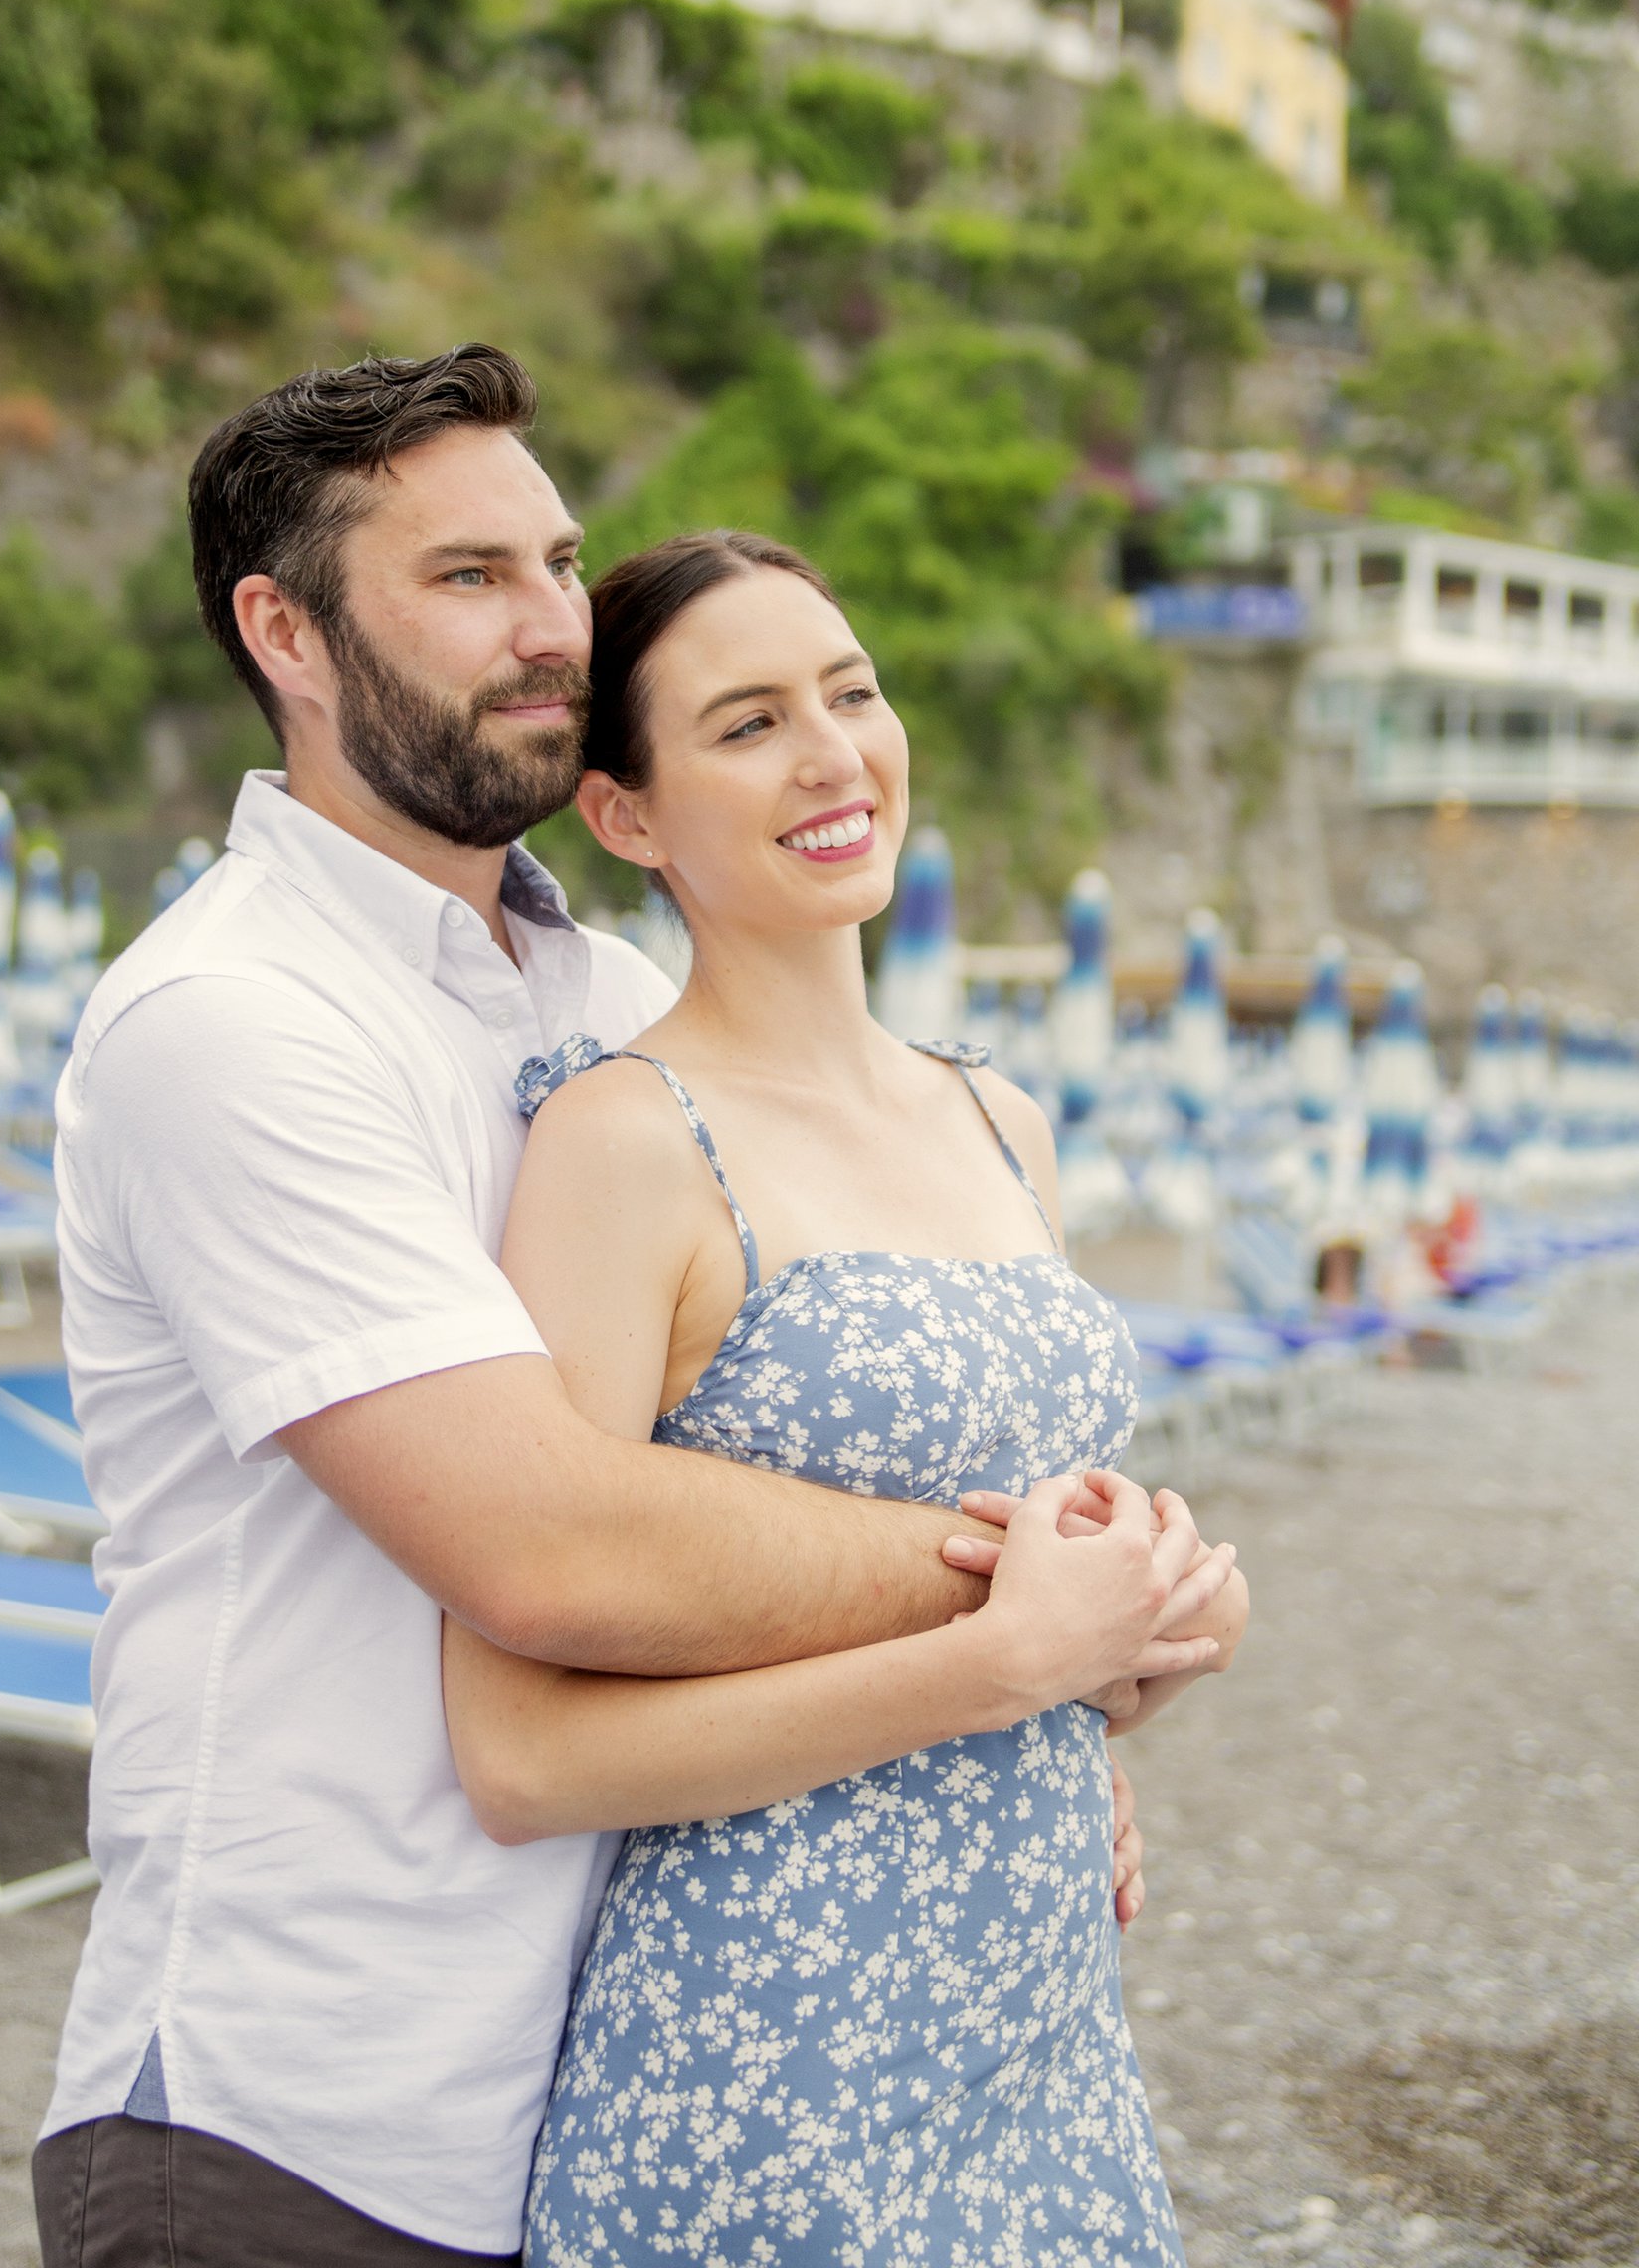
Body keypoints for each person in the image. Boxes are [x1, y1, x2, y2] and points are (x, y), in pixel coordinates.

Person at [33, 348, 1231, 2268]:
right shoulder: (235, 1028)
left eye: (561, 562)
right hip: (306, 2104)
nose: (550, 629)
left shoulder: (604, 1011)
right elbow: (551, 1549)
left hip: (633, 2058)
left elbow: (787, 1457)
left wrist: (1061, 1705)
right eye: (467, 579)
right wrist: (1043, 1603)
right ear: (288, 632)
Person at [442, 527, 1250, 2266]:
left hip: (1043, 2033)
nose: (832, 754)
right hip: (763, 2059)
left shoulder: (1001, 1119)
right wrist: (1000, 1663)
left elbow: (1025, 1606)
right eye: (745, 725)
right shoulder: (623, 1143)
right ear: (628, 815)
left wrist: (1159, 1619)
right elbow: (521, 1753)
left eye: (853, 691)